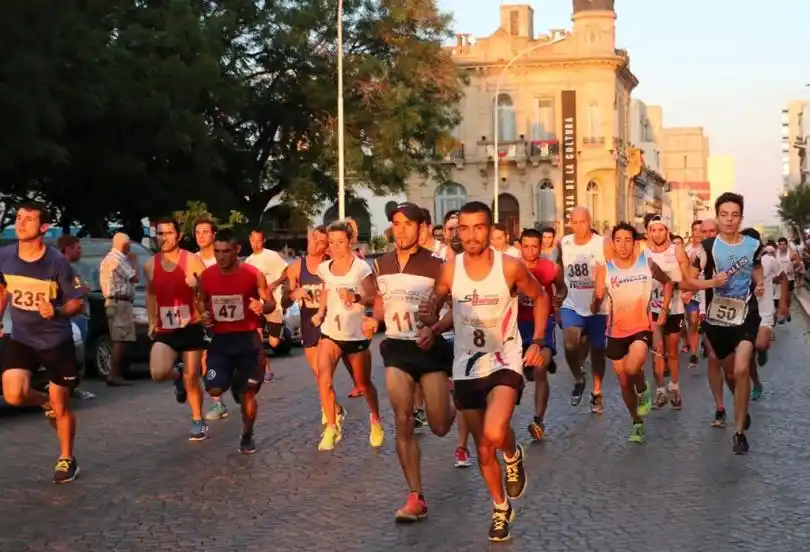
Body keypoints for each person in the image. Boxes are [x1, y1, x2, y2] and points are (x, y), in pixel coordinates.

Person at [421, 201, 547, 542]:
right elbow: (438, 304)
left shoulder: (510, 267)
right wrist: (430, 319)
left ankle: (511, 453)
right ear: (457, 231)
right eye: (465, 228)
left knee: (495, 430)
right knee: (482, 448)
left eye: (479, 227)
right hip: (466, 364)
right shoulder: (451, 269)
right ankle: (501, 507)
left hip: (505, 357)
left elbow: (541, 296)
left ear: (489, 230)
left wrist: (537, 340)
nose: (472, 235)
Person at [372, 202, 455, 522]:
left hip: (429, 350)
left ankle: (454, 398)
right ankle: (415, 496)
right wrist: (372, 321)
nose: (401, 229)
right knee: (403, 418)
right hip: (397, 349)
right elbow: (380, 304)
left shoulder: (438, 266)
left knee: (439, 426)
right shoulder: (381, 264)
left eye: (408, 224)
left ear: (422, 228)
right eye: (396, 223)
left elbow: (453, 309)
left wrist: (434, 327)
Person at [0, 202, 85, 483]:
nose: (20, 223)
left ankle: (66, 458)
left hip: (55, 340)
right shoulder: (5, 256)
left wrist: (57, 310)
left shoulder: (56, 262)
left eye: (29, 219)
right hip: (22, 338)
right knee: (13, 394)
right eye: (18, 218)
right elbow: (3, 288)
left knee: (61, 406)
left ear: (43, 227)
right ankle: (43, 401)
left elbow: (76, 301)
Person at [698, 193, 766, 454]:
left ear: (740, 217)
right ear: (718, 216)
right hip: (718, 319)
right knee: (728, 373)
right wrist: (708, 283)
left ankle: (739, 432)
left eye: (734, 215)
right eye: (724, 215)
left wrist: (759, 282)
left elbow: (756, 266)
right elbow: (690, 279)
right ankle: (741, 406)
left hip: (746, 313)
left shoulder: (752, 244)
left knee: (740, 370)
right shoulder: (707, 248)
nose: (729, 220)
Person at [199, 229, 276, 453]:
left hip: (247, 341)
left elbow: (270, 303)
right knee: (214, 389)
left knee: (247, 393)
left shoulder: (253, 274)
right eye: (216, 252)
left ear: (237, 250)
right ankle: (227, 381)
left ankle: (247, 434)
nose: (220, 257)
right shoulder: (207, 276)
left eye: (225, 252)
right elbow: (200, 302)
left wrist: (262, 307)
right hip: (221, 340)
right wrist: (203, 314)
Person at [593, 223, 670, 442]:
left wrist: (663, 310)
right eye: (618, 240)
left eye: (628, 240)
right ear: (613, 243)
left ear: (635, 243)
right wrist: (596, 299)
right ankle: (637, 421)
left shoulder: (646, 264)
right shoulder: (605, 269)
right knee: (624, 381)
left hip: (641, 328)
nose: (623, 245)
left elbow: (668, 283)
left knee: (631, 366)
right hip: (615, 331)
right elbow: (596, 302)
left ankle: (643, 387)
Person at [311, 219, 384, 451]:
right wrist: (321, 311)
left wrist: (356, 298)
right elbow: (326, 290)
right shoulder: (324, 268)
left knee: (363, 384)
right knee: (323, 378)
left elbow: (374, 297)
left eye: (340, 241)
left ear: (350, 241)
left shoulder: (361, 268)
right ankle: (332, 426)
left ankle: (375, 419)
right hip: (330, 332)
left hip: (355, 335)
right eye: (331, 242)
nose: (335, 246)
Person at [145, 217, 210, 440]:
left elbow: (207, 290)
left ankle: (197, 419)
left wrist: (198, 287)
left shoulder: (192, 261)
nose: (164, 238)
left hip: (191, 324)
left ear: (178, 236)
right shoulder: (150, 265)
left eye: (169, 233)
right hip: (166, 327)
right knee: (157, 372)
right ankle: (176, 375)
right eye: (160, 234)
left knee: (192, 377)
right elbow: (151, 293)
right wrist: (152, 320)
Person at [287, 226, 347, 425]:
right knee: (318, 373)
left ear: (326, 246)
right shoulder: (297, 267)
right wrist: (293, 294)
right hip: (308, 323)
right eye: (314, 239)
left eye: (322, 242)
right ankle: (334, 408)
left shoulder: (331, 265)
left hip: (328, 324)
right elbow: (285, 299)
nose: (315, 244)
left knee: (324, 373)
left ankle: (329, 411)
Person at [556, 206, 608, 412]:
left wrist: (598, 298)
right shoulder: (564, 243)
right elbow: (559, 269)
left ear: (590, 222)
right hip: (572, 303)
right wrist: (558, 296)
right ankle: (578, 378)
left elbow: (604, 273)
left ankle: (597, 391)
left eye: (583, 222)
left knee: (597, 352)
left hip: (597, 306)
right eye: (575, 222)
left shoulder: (601, 243)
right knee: (569, 346)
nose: (578, 227)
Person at [517, 228, 565, 441]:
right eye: (525, 246)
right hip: (516, 326)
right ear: (519, 246)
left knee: (538, 370)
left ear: (541, 247)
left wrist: (559, 299)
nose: (530, 251)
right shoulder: (511, 268)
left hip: (543, 324)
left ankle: (538, 419)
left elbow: (562, 289)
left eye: (534, 246)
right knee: (519, 372)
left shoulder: (552, 268)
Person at [643, 214, 693, 410]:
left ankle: (674, 387)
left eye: (661, 229)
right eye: (653, 230)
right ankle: (660, 391)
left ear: (667, 231)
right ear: (649, 232)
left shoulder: (677, 250)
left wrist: (684, 290)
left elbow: (688, 278)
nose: (657, 234)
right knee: (657, 350)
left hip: (675, 308)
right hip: (653, 308)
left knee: (672, 351)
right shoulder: (644, 254)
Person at [194, 219, 231, 422]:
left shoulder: (223, 258)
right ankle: (217, 401)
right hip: (197, 318)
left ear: (214, 235)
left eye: (205, 232)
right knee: (201, 359)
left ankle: (219, 398)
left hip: (224, 317)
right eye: (198, 232)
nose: (201, 236)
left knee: (215, 358)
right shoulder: (191, 259)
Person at [743, 236, 787, 400]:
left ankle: (763, 350)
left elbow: (783, 277)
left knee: (760, 344)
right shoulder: (738, 263)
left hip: (765, 310)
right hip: (746, 313)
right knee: (747, 356)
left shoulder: (768, 260)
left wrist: (783, 302)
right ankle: (756, 384)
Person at [56, 235, 96, 400]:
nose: (81, 251)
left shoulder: (61, 266)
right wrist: (85, 287)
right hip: (75, 315)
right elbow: (83, 289)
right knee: (75, 355)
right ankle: (74, 387)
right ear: (67, 248)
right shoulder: (69, 268)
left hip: (73, 314)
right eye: (77, 248)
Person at [246, 228, 287, 383]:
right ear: (249, 240)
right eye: (253, 241)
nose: (256, 244)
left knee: (274, 343)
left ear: (263, 241)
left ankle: (281, 330)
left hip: (273, 304)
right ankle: (267, 371)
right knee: (256, 340)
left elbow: (287, 272)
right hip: (257, 306)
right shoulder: (248, 261)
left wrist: (274, 284)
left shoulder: (272, 256)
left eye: (259, 241)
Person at [99, 233, 139, 387]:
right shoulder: (116, 260)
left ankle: (117, 373)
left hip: (116, 302)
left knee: (121, 338)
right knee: (120, 340)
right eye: (128, 244)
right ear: (123, 244)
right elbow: (134, 277)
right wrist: (134, 262)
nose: (129, 247)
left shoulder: (109, 259)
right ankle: (114, 374)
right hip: (119, 303)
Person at [683, 221, 704, 370]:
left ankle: (706, 344)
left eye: (700, 230)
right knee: (693, 320)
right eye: (694, 230)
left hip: (707, 289)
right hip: (692, 289)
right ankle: (694, 353)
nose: (697, 233)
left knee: (706, 322)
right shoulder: (687, 249)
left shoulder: (708, 249)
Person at [775, 237, 801, 321]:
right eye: (780, 244)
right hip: (779, 279)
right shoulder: (775, 253)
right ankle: (783, 315)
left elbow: (799, 266)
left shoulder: (792, 254)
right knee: (781, 298)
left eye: (784, 244)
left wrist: (794, 270)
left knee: (788, 298)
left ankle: (787, 310)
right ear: (778, 245)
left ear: (786, 245)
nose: (782, 246)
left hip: (790, 279)